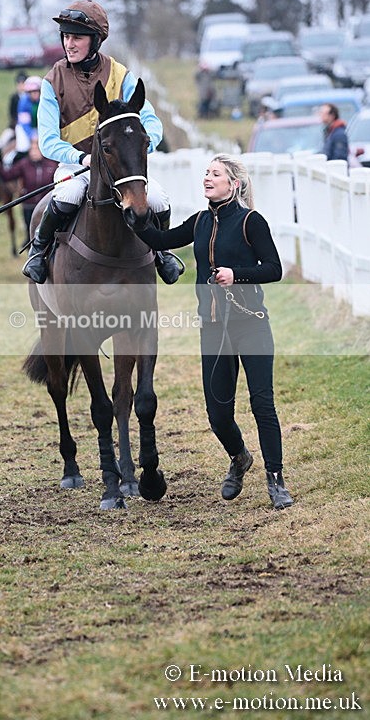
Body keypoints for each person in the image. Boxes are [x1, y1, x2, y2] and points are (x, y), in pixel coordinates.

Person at [136, 153, 294, 510]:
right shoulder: (199, 222)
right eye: (206, 173)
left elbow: (274, 268)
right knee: (218, 414)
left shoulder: (251, 221)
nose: (207, 178)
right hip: (212, 328)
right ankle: (239, 457)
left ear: (232, 184)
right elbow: (160, 240)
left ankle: (276, 480)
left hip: (251, 324)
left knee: (262, 404)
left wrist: (236, 274)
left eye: (215, 174)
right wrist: (132, 216)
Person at [22, 0, 182, 286]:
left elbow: (151, 122)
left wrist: (139, 147)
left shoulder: (121, 75)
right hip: (77, 166)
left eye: (77, 38)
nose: (69, 44)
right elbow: (47, 140)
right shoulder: (52, 81)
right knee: (68, 193)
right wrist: (80, 159)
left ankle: (163, 252)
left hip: (120, 169)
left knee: (158, 198)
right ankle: (38, 251)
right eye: (66, 37)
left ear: (95, 41)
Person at [0, 134, 57, 246]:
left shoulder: (52, 165)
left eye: (37, 148)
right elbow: (8, 175)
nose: (34, 151)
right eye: (32, 148)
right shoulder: (24, 164)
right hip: (28, 206)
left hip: (46, 206)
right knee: (30, 231)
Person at [15, 76, 42, 153]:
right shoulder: (23, 102)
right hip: (25, 128)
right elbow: (24, 123)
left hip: (41, 128)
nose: (34, 94)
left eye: (36, 91)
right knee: (23, 147)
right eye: (31, 92)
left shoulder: (45, 101)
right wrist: (32, 136)